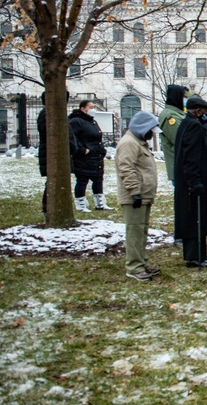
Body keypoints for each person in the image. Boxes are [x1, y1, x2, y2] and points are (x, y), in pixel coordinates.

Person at [174, 95, 207, 268]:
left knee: (193, 218)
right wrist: (195, 181)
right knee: (195, 219)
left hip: (189, 180)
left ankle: (198, 255)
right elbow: (191, 156)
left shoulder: (187, 124)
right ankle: (195, 257)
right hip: (193, 181)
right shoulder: (194, 126)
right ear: (198, 110)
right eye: (205, 110)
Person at [116, 111, 161, 281]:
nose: (151, 135)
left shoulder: (138, 142)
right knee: (134, 232)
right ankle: (134, 267)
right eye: (150, 130)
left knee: (141, 231)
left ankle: (141, 263)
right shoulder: (129, 143)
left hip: (143, 195)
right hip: (135, 196)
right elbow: (126, 169)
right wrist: (134, 192)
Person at [68, 99, 112, 211]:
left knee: (98, 179)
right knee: (83, 179)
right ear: (83, 109)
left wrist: (101, 150)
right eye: (91, 107)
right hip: (84, 157)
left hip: (96, 155)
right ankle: (81, 204)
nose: (93, 109)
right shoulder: (76, 121)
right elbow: (73, 137)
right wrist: (82, 149)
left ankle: (100, 203)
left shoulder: (92, 121)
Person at [158, 84, 189, 185]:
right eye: (184, 97)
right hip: (179, 166)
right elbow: (179, 139)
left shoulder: (180, 113)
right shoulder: (169, 115)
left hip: (186, 165)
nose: (186, 99)